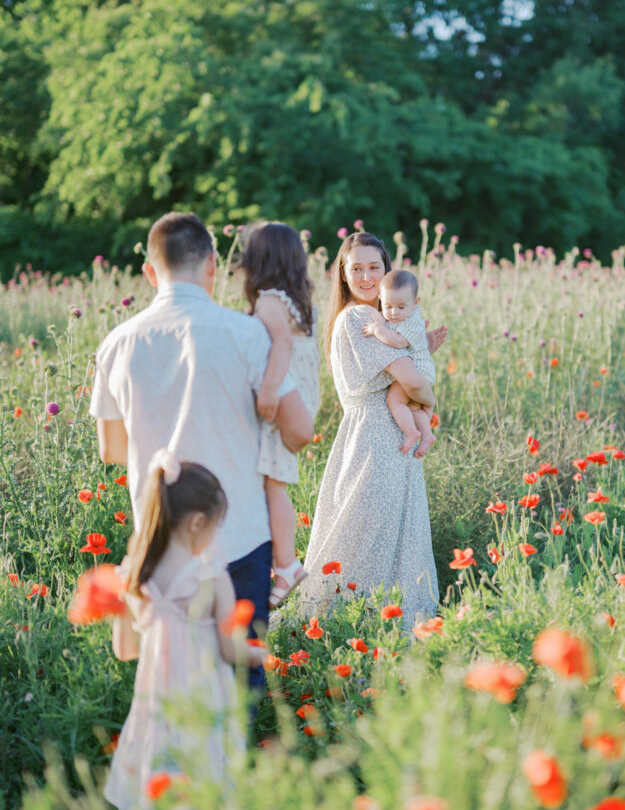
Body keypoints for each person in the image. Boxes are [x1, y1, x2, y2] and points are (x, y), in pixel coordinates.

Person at [90, 212, 313, 698]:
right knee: (240, 681)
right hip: (241, 534)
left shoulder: (116, 344)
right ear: (213, 263)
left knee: (172, 680)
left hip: (162, 539)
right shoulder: (247, 334)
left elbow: (112, 450)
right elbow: (298, 432)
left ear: (150, 272)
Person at [105, 452, 267, 810]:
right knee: (205, 772)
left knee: (157, 767)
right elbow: (230, 650)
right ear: (197, 523)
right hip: (203, 697)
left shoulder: (131, 577)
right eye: (215, 526)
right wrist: (259, 655)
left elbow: (124, 650)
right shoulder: (209, 577)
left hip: (155, 701)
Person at [297, 231, 446, 628]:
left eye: (374, 268)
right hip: (377, 439)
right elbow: (410, 380)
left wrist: (419, 350)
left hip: (382, 436)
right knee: (370, 539)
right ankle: (366, 632)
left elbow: (402, 366)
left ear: (386, 272)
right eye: (356, 268)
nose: (366, 277)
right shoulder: (361, 317)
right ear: (342, 275)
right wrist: (427, 397)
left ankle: (370, 633)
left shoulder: (381, 319)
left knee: (377, 536)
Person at [240, 222, 320, 608]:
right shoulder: (298, 298)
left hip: (287, 393)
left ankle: (287, 565)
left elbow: (282, 345)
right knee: (276, 484)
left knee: (274, 486)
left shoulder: (270, 298)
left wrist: (269, 390)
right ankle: (284, 563)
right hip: (304, 394)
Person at [362, 268, 436, 458]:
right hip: (417, 370)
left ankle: (412, 432)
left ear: (415, 303)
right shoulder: (401, 317)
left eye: (400, 307)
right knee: (413, 406)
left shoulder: (413, 322)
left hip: (417, 371)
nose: (393, 312)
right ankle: (427, 435)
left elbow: (397, 342)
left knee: (394, 400)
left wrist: (376, 329)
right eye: (388, 306)